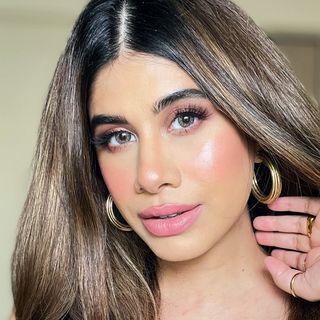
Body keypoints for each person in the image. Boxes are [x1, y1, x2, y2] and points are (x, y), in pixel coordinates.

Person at [11, 0, 320, 319]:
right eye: (119, 136)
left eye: (185, 119)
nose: (150, 175)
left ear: (255, 130)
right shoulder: (49, 312)